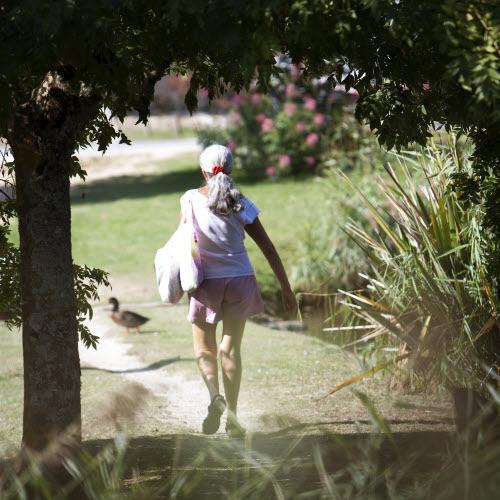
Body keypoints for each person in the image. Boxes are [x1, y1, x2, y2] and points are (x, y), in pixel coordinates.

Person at [180, 144, 297, 437]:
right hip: (241, 279)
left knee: (203, 347)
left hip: (206, 282)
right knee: (230, 348)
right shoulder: (242, 202)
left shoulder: (190, 200)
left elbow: (183, 241)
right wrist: (286, 288)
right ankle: (232, 420)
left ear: (203, 171)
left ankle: (215, 399)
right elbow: (267, 247)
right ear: (230, 170)